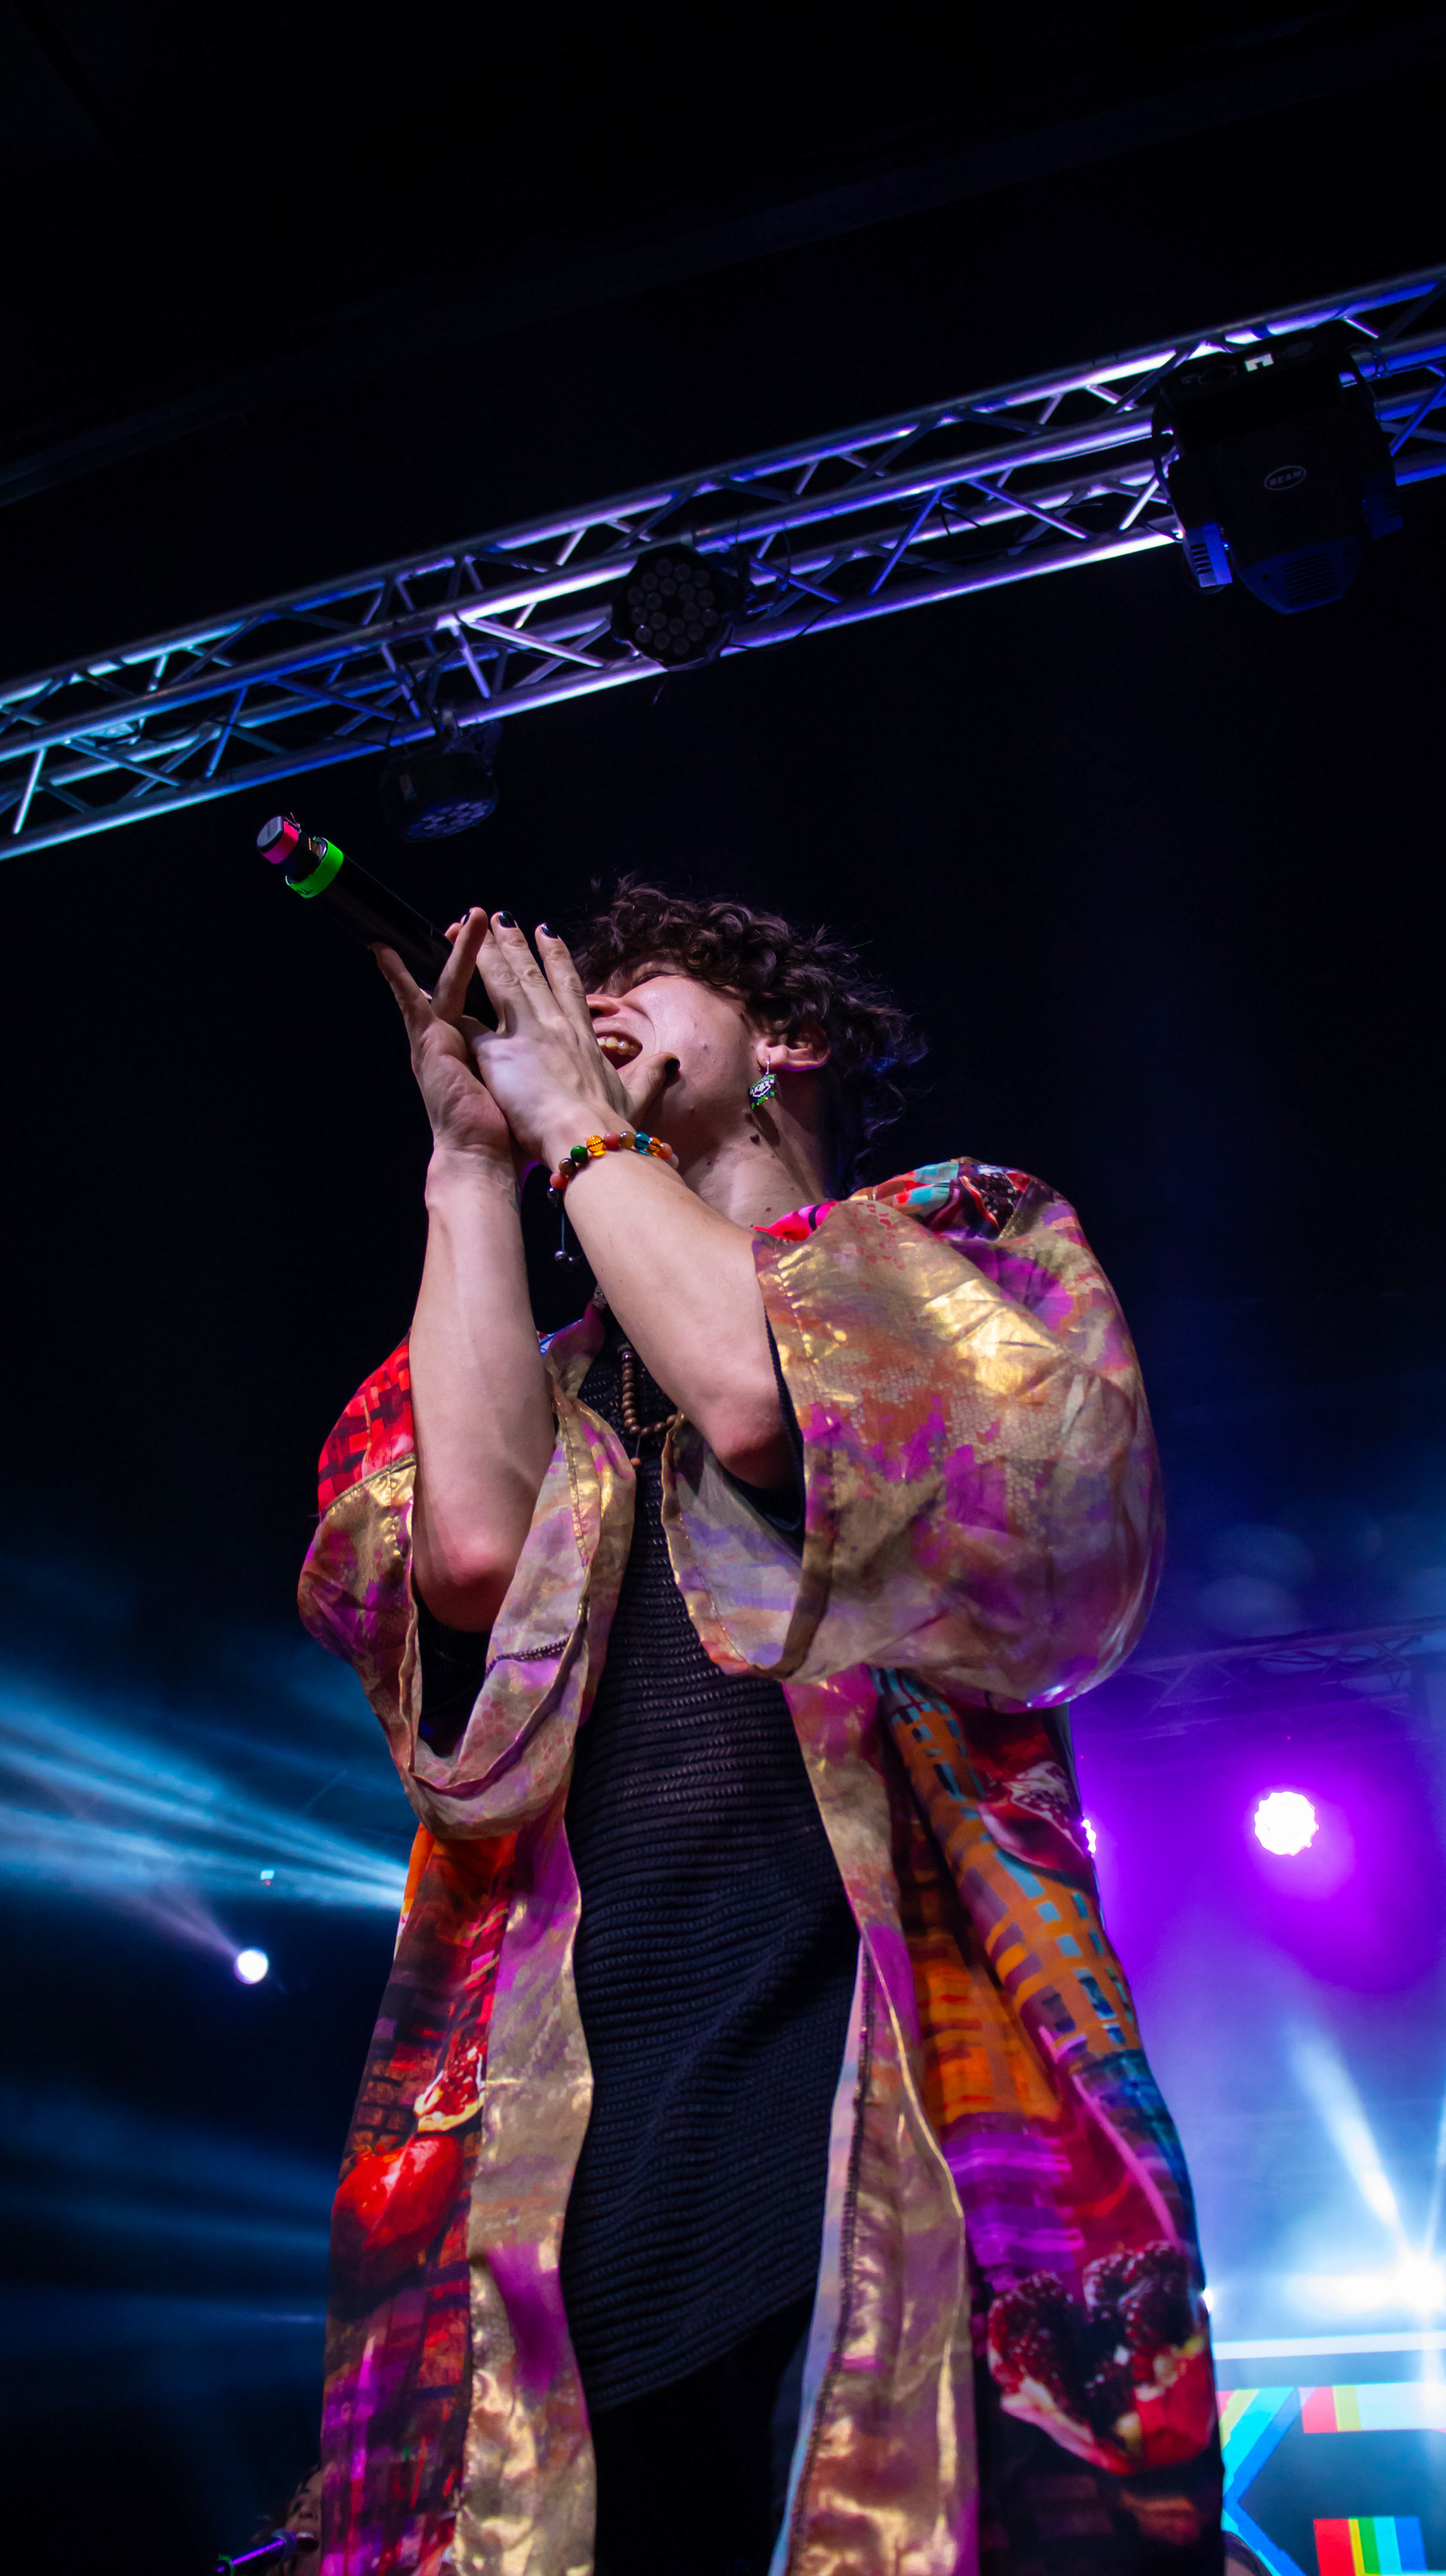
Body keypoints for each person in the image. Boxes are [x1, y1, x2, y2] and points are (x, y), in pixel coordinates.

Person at [299, 884, 1225, 2576]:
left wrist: (578, 1120)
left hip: (891, 2131)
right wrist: (468, 1168)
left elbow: (758, 1390)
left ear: (785, 1037)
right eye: (577, 995)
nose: (589, 1007)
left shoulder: (956, 1246)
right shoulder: (538, 1370)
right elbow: (473, 1559)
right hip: (575, 2184)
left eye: (639, 982)